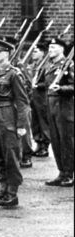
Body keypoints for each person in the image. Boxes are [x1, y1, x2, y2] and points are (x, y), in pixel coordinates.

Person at [0, 36, 32, 208]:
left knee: (10, 154)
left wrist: (21, 125)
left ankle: (12, 193)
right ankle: (2, 189)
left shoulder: (13, 73)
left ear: (7, 53)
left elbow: (23, 101)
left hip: (8, 113)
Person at [42, 38, 73, 187]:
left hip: (64, 106)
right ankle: (62, 172)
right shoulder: (49, 65)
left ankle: (69, 174)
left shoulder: (68, 64)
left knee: (66, 141)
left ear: (61, 49)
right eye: (49, 47)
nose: (50, 50)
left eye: (54, 47)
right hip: (51, 105)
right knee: (55, 141)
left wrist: (61, 89)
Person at [25, 43, 52, 158]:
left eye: (35, 51)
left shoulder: (46, 66)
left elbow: (49, 82)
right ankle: (38, 143)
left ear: (42, 53)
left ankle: (45, 146)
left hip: (42, 97)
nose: (33, 53)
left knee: (43, 122)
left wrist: (37, 85)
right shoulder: (31, 66)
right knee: (34, 122)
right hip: (32, 97)